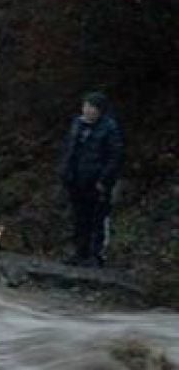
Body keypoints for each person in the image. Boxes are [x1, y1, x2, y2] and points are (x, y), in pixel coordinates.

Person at [59, 91, 125, 267]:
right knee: (79, 218)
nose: (88, 111)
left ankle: (96, 256)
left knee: (97, 218)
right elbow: (68, 150)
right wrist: (65, 172)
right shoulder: (77, 124)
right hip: (76, 179)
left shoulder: (110, 129)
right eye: (86, 106)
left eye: (92, 107)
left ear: (100, 110)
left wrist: (104, 179)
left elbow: (115, 156)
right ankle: (79, 252)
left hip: (97, 182)